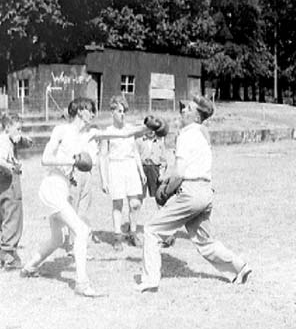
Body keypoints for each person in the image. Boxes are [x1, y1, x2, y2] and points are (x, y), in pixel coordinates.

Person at [20, 97, 157, 297]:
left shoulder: (91, 134)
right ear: (80, 110)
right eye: (90, 110)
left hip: (63, 189)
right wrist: (73, 161)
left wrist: (145, 129)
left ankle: (29, 267)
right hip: (52, 187)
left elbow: (121, 133)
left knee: (57, 239)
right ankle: (82, 284)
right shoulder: (61, 130)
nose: (93, 114)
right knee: (82, 230)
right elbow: (45, 159)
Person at [135, 96, 252, 293]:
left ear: (197, 116)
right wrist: (167, 180)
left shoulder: (186, 135)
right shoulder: (202, 134)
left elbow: (180, 173)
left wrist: (165, 190)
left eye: (187, 108)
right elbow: (182, 169)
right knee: (205, 242)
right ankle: (239, 267)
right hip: (205, 191)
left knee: (151, 230)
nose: (182, 110)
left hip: (190, 192)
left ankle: (150, 281)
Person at [99, 95, 146, 251]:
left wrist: (140, 170)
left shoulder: (130, 129)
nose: (122, 114)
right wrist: (104, 179)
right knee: (117, 204)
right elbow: (103, 156)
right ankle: (117, 236)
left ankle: (132, 233)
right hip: (115, 167)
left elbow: (136, 152)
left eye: (124, 111)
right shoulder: (107, 132)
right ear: (112, 112)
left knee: (135, 203)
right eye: (119, 111)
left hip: (130, 166)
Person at [0, 113, 33, 270]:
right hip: (8, 182)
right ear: (7, 127)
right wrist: (12, 167)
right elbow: (0, 160)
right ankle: (9, 256)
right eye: (18, 129)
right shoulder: (6, 142)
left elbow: (24, 142)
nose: (20, 132)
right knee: (13, 217)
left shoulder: (1, 138)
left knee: (2, 218)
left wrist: (23, 139)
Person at [136, 130, 175, 248]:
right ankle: (135, 230)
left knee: (160, 200)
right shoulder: (139, 141)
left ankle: (167, 232)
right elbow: (135, 157)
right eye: (149, 128)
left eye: (154, 129)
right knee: (138, 201)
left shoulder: (159, 142)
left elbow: (163, 161)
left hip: (155, 170)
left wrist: (161, 174)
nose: (151, 131)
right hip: (142, 170)